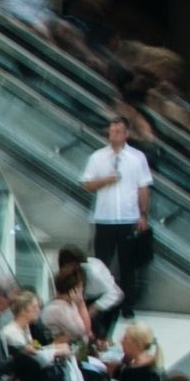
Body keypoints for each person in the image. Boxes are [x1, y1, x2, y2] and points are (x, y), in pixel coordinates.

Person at [83, 116, 156, 317]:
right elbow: (87, 184)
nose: (113, 135)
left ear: (126, 134)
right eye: (111, 131)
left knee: (127, 265)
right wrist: (105, 180)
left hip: (128, 219)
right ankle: (100, 301)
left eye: (118, 132)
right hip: (104, 218)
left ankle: (127, 305)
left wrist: (143, 215)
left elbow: (143, 187)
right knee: (101, 263)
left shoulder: (137, 157)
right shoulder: (97, 157)